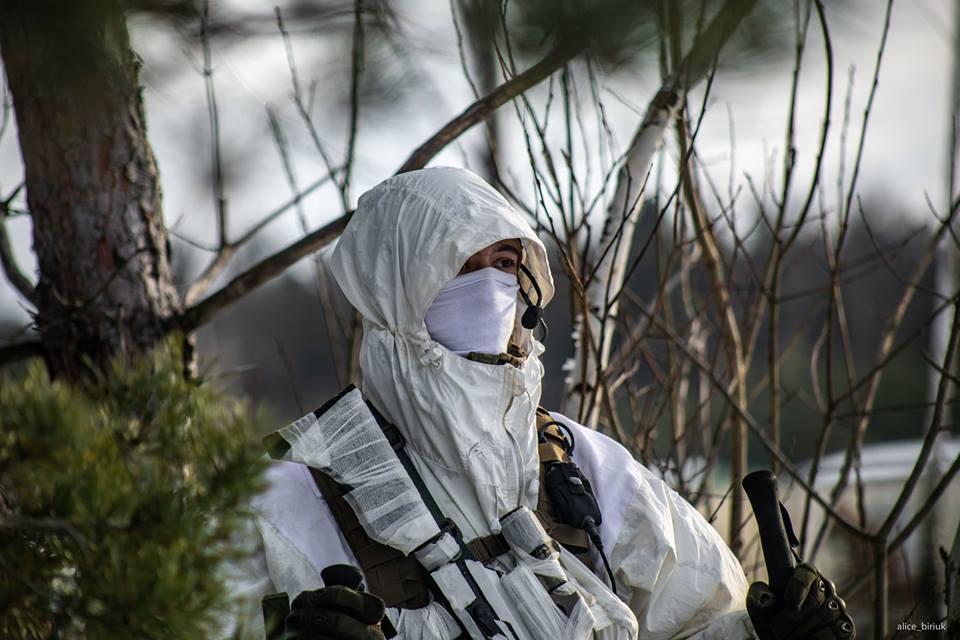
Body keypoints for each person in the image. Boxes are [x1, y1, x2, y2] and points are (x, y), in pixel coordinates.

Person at [232, 167, 854, 640]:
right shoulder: (283, 497)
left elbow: (701, 617)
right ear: (392, 286)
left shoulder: (585, 466)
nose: (490, 285)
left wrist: (766, 633)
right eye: (460, 264)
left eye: (505, 262)